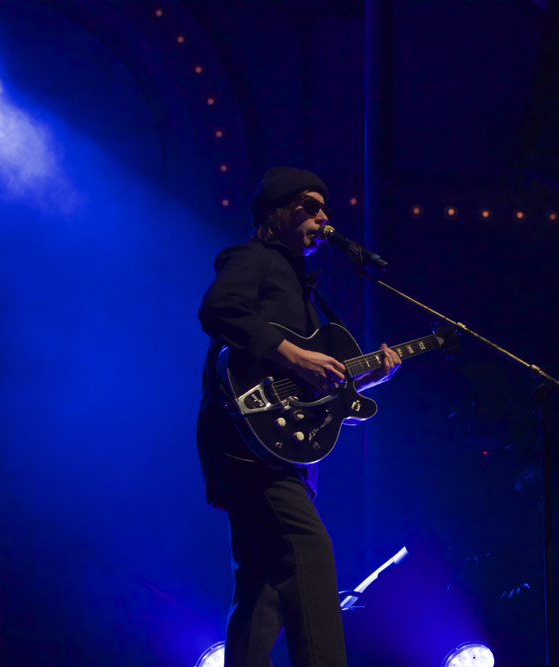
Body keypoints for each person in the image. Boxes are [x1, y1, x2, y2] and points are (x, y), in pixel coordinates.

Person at [196, 167, 401, 667]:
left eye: (325, 207)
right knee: (307, 551)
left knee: (261, 588)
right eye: (309, 205)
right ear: (274, 213)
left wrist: (360, 382)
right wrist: (295, 355)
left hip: (276, 448)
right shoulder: (255, 258)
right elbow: (218, 309)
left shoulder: (300, 287)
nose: (323, 215)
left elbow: (302, 388)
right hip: (247, 446)